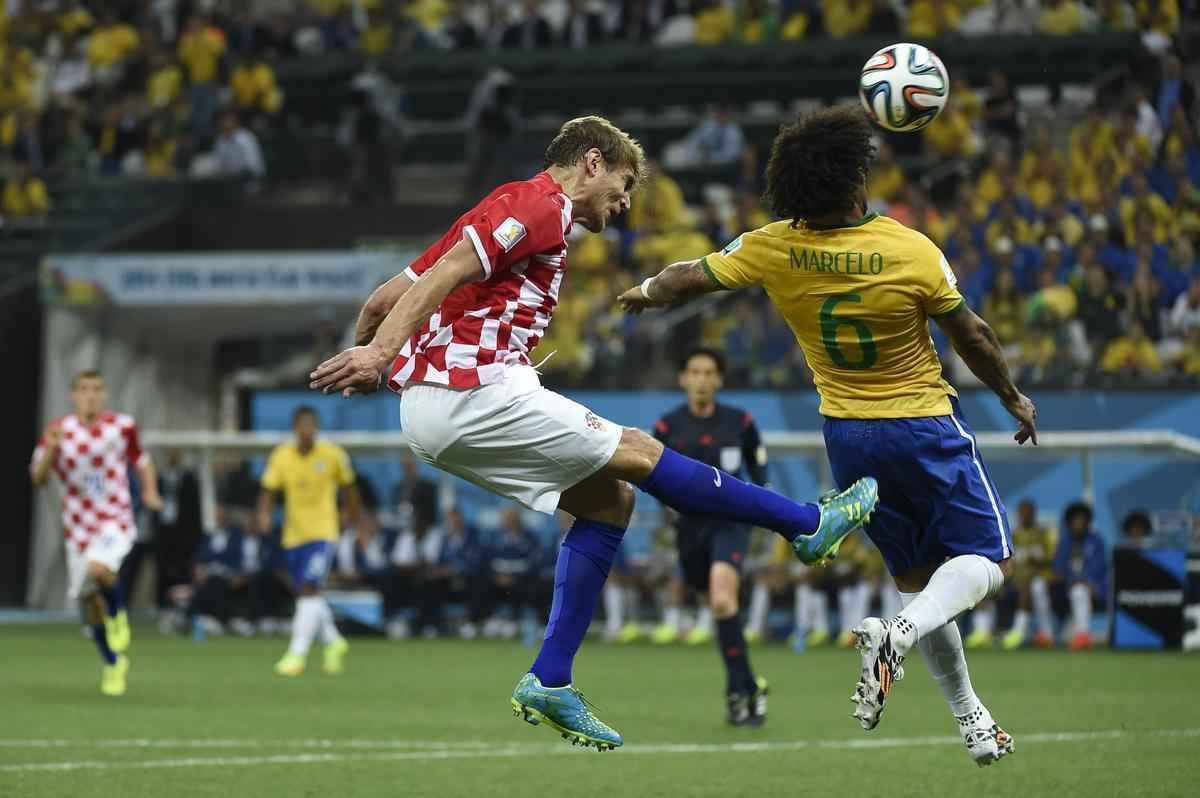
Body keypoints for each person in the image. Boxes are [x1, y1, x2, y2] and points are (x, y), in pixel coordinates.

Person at [309, 115, 876, 751]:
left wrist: (376, 363)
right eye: (625, 184)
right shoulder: (540, 205)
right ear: (592, 162)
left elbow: (381, 299)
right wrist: (378, 355)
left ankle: (551, 678)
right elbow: (446, 277)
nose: (627, 202)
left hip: (431, 411)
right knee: (640, 452)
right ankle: (806, 524)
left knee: (609, 501)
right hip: (476, 390)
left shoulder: (501, 208)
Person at [618, 106, 1038, 767]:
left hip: (848, 438)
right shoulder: (910, 248)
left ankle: (973, 721)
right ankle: (898, 634)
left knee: (919, 583)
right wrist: (1011, 395)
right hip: (921, 423)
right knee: (991, 563)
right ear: (856, 179)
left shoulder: (772, 246)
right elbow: (975, 336)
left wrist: (644, 291)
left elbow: (684, 279)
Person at [652, 346, 770, 726]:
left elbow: (759, 472)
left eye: (708, 373)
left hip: (730, 521)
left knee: (721, 600)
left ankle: (737, 692)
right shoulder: (667, 427)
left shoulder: (741, 422)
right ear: (683, 379)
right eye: (694, 372)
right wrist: (668, 507)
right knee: (718, 607)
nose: (701, 380)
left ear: (718, 379)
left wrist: (760, 509)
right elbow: (651, 474)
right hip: (689, 529)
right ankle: (749, 686)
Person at [29, 370, 163, 696]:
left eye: (96, 389)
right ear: (73, 395)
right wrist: (52, 449)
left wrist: (149, 490)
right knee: (89, 602)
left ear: (104, 395)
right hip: (78, 529)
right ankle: (113, 662)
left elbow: (142, 460)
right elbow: (38, 479)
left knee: (99, 569)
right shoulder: (59, 431)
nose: (90, 395)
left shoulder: (121, 426)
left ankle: (118, 616)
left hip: (114, 519)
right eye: (84, 389)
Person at [258, 406, 360, 676]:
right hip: (294, 535)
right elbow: (268, 490)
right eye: (302, 426)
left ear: (316, 427)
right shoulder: (282, 456)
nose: (307, 431)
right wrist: (264, 516)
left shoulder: (332, 454)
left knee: (308, 589)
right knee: (309, 594)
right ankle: (334, 641)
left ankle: (296, 655)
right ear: (295, 428)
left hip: (323, 533)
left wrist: (352, 517)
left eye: (311, 425)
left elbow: (350, 487)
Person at [1050, 502, 1108, 650]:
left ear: (1088, 521)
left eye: (1082, 519)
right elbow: (1058, 567)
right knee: (1039, 586)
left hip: (1093, 589)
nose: (1079, 523)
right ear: (1069, 522)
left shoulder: (1096, 541)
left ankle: (1083, 636)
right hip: (1065, 587)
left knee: (1079, 590)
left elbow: (1099, 568)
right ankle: (1046, 634)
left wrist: (1087, 582)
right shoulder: (1065, 541)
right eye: (1075, 519)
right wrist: (1060, 578)